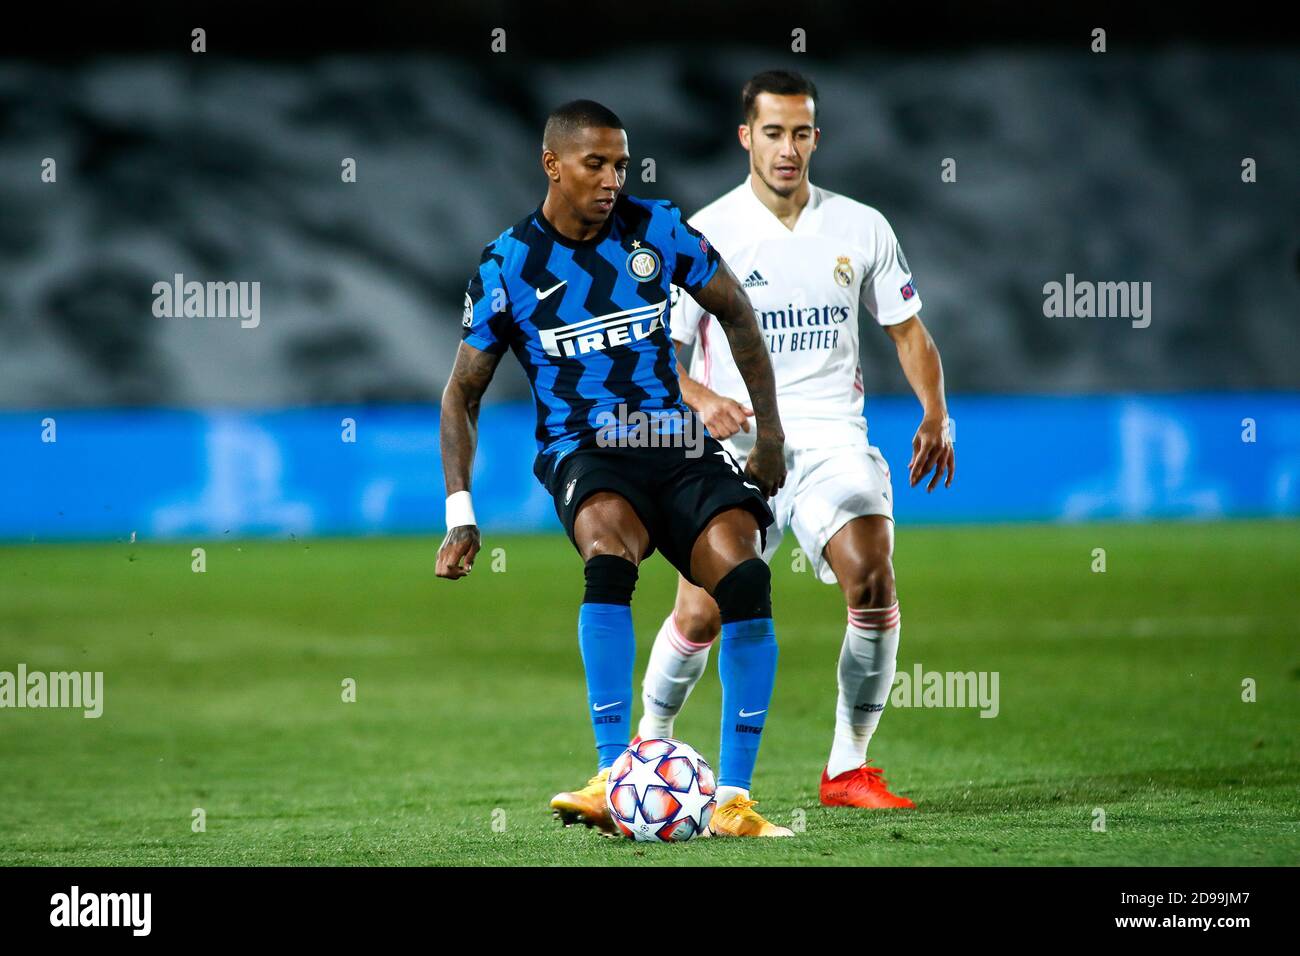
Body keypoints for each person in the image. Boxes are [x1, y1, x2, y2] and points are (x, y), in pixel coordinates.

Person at [437, 99, 797, 837]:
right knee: (608, 548)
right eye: (594, 164)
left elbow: (736, 314)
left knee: (748, 576)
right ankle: (609, 774)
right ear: (552, 165)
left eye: (620, 165)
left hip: (672, 437)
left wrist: (770, 440)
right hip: (584, 446)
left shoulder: (656, 229)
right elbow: (462, 394)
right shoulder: (508, 265)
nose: (611, 179)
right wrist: (460, 513)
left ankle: (732, 798)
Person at [636, 70, 955, 809]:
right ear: (746, 136)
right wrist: (704, 396)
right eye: (773, 132)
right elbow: (654, 353)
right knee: (701, 610)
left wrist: (935, 413)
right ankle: (642, 749)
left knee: (873, 577)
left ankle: (848, 768)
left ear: (817, 137)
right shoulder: (707, 232)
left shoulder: (861, 226)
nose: (788, 149)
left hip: (833, 437)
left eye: (801, 133)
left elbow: (907, 332)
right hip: (739, 445)